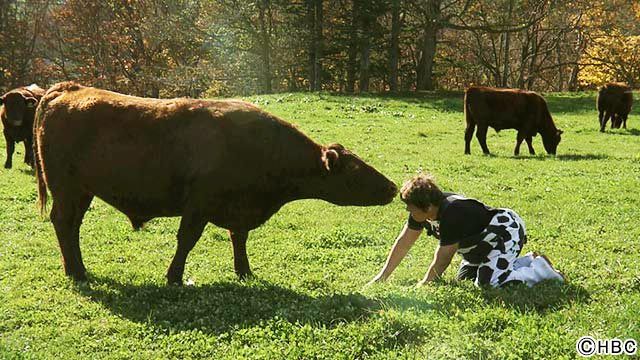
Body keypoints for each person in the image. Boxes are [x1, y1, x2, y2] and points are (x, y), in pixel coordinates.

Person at [368, 173, 565, 288]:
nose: (408, 211)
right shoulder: (423, 212)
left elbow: (443, 258)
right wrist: (383, 276)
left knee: (488, 283)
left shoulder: (452, 213)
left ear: (427, 207)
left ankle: (540, 270)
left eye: (410, 207)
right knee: (466, 278)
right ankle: (527, 261)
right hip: (479, 247)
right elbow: (404, 242)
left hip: (504, 233)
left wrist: (426, 282)